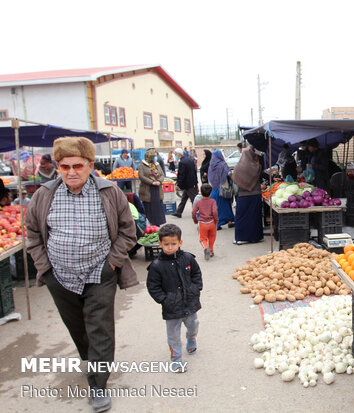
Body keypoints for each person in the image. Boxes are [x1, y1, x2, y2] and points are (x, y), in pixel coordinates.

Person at [25, 136, 137, 413]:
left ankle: (98, 384)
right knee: (77, 328)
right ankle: (92, 361)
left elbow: (127, 232)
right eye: (64, 167)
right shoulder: (44, 195)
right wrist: (46, 269)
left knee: (100, 328)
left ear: (89, 165)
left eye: (77, 165)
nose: (71, 172)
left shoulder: (109, 192)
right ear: (58, 167)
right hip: (59, 277)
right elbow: (33, 234)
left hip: (99, 273)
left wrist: (111, 263)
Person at [146, 223, 202, 373]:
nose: (170, 247)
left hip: (190, 303)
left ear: (180, 243)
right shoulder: (156, 266)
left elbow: (196, 274)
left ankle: (191, 338)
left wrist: (195, 289)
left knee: (193, 325)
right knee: (173, 336)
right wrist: (164, 299)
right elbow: (153, 286)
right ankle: (177, 359)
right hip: (171, 308)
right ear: (160, 244)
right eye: (166, 244)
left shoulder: (188, 258)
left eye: (173, 244)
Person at [232, 147, 264, 245]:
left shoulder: (238, 167)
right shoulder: (257, 166)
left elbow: (234, 179)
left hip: (243, 196)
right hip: (255, 195)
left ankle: (241, 238)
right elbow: (262, 176)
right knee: (255, 217)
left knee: (241, 217)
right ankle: (255, 237)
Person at [138, 149, 166, 226]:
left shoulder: (157, 164)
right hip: (148, 191)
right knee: (149, 210)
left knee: (157, 210)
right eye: (152, 157)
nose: (153, 158)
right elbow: (141, 176)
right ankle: (150, 226)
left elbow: (162, 175)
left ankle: (157, 225)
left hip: (157, 190)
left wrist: (159, 181)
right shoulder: (142, 165)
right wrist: (152, 182)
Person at [208, 150, 235, 230]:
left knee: (216, 208)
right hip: (223, 189)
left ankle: (221, 223)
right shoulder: (222, 164)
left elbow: (210, 177)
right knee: (226, 206)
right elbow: (229, 174)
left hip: (214, 189)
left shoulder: (211, 165)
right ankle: (225, 222)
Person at [192, 183, 218, 260]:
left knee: (203, 239)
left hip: (202, 223)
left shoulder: (199, 202)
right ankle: (211, 251)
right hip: (212, 223)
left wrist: (195, 220)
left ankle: (206, 248)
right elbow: (215, 212)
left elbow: (194, 212)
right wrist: (216, 220)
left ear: (201, 192)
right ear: (211, 192)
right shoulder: (213, 201)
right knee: (212, 237)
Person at [171, 147, 198, 218]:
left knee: (193, 198)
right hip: (191, 182)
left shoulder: (182, 162)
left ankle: (198, 212)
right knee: (184, 198)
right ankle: (178, 212)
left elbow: (181, 175)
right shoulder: (190, 160)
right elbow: (194, 171)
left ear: (179, 154)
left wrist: (178, 184)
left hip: (187, 184)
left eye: (175, 154)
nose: (175, 156)